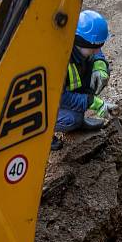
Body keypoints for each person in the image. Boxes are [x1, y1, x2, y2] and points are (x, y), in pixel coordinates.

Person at [51, 10, 111, 151]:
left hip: (65, 90)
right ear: (77, 42)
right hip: (47, 103)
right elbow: (60, 98)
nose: (97, 51)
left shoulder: (81, 43)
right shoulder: (57, 62)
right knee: (73, 119)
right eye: (93, 49)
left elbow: (95, 48)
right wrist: (93, 103)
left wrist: (100, 64)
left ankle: (81, 120)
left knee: (100, 75)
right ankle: (44, 136)